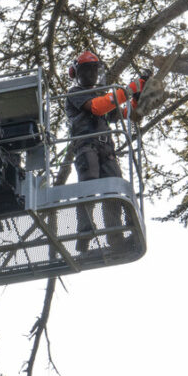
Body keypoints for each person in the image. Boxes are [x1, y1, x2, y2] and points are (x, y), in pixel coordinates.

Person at [65, 50, 149, 253]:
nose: (92, 74)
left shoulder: (102, 96)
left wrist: (138, 97)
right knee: (89, 185)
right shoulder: (75, 93)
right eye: (87, 70)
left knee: (113, 192)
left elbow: (125, 113)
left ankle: (115, 237)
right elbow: (97, 108)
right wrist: (128, 90)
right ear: (77, 73)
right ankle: (84, 234)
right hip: (86, 147)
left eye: (94, 70)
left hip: (106, 148)